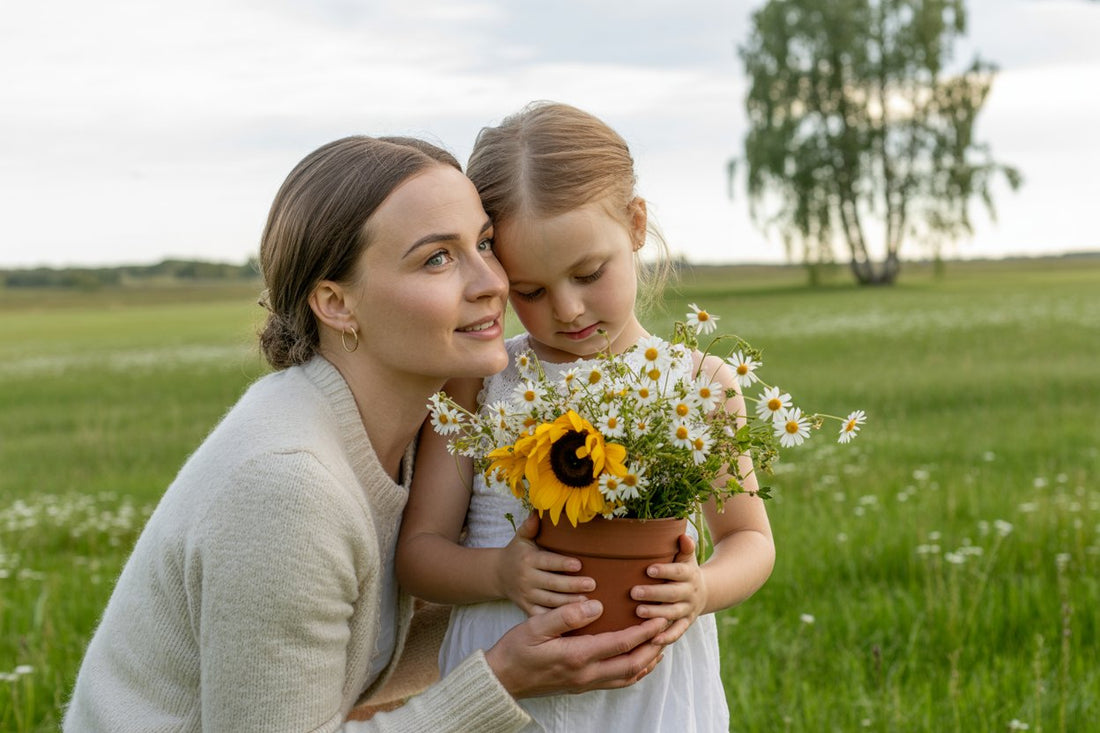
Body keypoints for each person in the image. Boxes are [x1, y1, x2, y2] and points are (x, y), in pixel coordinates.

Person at [62, 134, 670, 732]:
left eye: (484, 243)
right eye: (437, 257)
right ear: (336, 304)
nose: (493, 282)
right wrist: (503, 681)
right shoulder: (287, 487)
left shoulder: (433, 430)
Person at [395, 102, 777, 732]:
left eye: (588, 273)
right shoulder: (483, 382)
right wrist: (499, 571)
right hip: (508, 683)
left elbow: (749, 540)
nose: (568, 310)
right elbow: (419, 554)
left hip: (649, 687)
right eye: (531, 291)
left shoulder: (701, 384)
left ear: (635, 224)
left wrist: (702, 590)